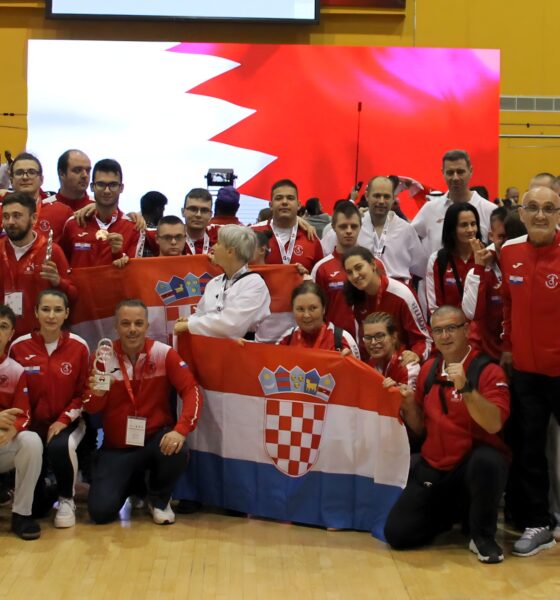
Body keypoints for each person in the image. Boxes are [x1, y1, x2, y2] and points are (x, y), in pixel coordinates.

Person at [384, 306, 510, 564]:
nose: (445, 335)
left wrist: (465, 388)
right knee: (398, 534)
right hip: (435, 467)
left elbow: (494, 424)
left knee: (488, 460)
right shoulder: (429, 370)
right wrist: (408, 406)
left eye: (452, 328)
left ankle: (483, 535)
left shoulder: (488, 370)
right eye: (438, 330)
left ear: (466, 330)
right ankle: (453, 515)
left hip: (470, 468)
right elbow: (420, 429)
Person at [84, 299, 202, 525]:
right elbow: (89, 407)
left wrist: (181, 429)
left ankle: (158, 499)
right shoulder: (103, 357)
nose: (132, 329)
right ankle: (135, 485)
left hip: (153, 441)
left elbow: (191, 390)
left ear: (147, 326)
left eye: (139, 323)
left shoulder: (164, 354)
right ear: (116, 327)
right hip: (117, 447)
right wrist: (97, 396)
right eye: (125, 323)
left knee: (177, 449)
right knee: (100, 513)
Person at [500, 185, 560, 556]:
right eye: (533, 208)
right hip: (526, 372)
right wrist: (508, 347)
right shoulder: (509, 252)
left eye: (549, 208)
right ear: (521, 213)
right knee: (530, 450)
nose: (540, 215)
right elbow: (506, 304)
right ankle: (539, 523)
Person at [10, 289, 89, 528]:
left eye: (57, 310)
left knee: (59, 445)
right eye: (45, 309)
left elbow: (84, 392)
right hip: (31, 427)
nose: (51, 316)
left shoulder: (79, 346)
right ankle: (48, 490)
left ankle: (67, 498)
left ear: (66, 314)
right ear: (35, 312)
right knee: (36, 509)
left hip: (69, 423)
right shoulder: (18, 347)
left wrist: (64, 419)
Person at [0, 192, 77, 339]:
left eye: (17, 216)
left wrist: (58, 282)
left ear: (34, 218)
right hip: (3, 340)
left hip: (39, 340)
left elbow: (73, 296)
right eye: (6, 216)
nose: (10, 222)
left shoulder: (51, 251)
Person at [174, 225, 271, 340]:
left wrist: (189, 325)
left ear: (230, 251)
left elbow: (232, 324)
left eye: (219, 243)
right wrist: (190, 319)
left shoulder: (254, 283)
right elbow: (202, 314)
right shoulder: (215, 282)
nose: (213, 246)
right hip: (212, 348)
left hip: (242, 351)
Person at [343, 246, 432, 362]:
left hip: (403, 365)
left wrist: (416, 354)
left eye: (358, 268)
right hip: (378, 366)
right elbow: (363, 344)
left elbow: (424, 340)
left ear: (373, 265)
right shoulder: (355, 298)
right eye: (349, 272)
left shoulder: (402, 294)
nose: (355, 275)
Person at [0, 304, 43, 540]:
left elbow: (23, 414)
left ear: (11, 333)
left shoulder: (16, 371)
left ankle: (22, 513)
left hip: (3, 443)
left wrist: (13, 428)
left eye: (3, 326)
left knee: (31, 440)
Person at [462, 207, 522, 360]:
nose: (508, 242)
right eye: (502, 236)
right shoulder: (479, 270)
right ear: (491, 236)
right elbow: (472, 313)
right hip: (486, 355)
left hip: (523, 354)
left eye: (513, 237)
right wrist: (479, 268)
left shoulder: (530, 268)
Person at [412, 149, 496, 255]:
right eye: (450, 173)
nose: (455, 177)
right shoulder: (430, 209)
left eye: (460, 172)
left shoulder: (490, 210)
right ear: (443, 173)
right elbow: (408, 239)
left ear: (471, 171)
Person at [60, 158, 141, 267]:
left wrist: (118, 254)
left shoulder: (133, 228)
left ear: (121, 188)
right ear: (92, 187)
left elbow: (134, 273)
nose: (107, 191)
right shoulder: (73, 224)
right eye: (101, 184)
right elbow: (63, 269)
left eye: (113, 185)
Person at [357, 176, 426, 283]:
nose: (381, 201)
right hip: (363, 290)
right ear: (367, 196)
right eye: (377, 196)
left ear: (393, 198)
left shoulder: (406, 229)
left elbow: (420, 268)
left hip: (397, 291)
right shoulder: (355, 226)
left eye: (386, 196)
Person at [312, 201, 364, 336]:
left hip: (372, 346)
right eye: (343, 226)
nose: (348, 231)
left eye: (353, 226)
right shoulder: (321, 269)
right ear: (333, 227)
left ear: (361, 227)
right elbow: (315, 311)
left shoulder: (375, 264)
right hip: (336, 344)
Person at [0, 152, 73, 244]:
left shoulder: (61, 212)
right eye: (19, 173)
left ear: (41, 179)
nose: (25, 177)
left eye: (31, 172)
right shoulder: (1, 211)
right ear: (11, 180)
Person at [253, 179, 323, 273]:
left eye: (290, 198)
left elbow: (319, 280)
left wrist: (309, 277)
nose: (284, 202)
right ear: (271, 205)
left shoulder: (311, 238)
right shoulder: (252, 233)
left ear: (298, 205)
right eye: (279, 198)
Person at [278, 281, 359, 359]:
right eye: (300, 309)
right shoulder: (286, 340)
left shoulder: (342, 339)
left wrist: (352, 365)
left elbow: (359, 372)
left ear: (323, 309)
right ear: (293, 310)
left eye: (312, 308)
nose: (306, 315)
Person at [425, 203, 482, 315]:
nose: (470, 230)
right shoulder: (437, 259)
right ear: (452, 229)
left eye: (473, 224)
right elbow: (434, 308)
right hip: (451, 329)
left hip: (483, 331)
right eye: (464, 225)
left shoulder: (488, 255)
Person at [363, 312, 419, 389]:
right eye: (368, 337)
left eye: (379, 336)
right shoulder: (371, 361)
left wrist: (393, 392)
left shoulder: (408, 367)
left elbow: (409, 400)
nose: (373, 342)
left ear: (394, 337)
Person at [181, 188, 213, 255]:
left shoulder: (218, 238)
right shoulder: (168, 237)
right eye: (193, 209)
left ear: (210, 215)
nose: (198, 215)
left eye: (204, 210)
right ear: (183, 212)